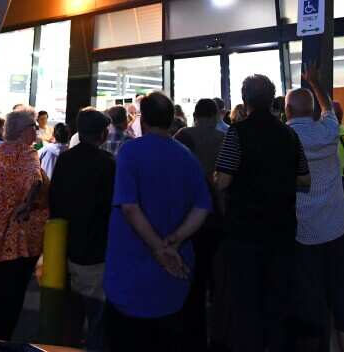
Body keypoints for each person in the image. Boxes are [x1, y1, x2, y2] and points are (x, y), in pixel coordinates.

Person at [103, 92, 211, 350]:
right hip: (175, 271)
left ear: (144, 119)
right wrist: (174, 240)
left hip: (131, 271)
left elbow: (129, 207)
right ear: (172, 119)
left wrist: (158, 249)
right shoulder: (186, 156)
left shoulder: (130, 151)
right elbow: (202, 206)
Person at [215, 74, 310, 351]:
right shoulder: (289, 133)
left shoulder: (237, 132)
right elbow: (305, 180)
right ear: (272, 101)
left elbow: (223, 180)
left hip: (244, 232)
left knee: (246, 302)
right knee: (278, 298)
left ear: (245, 101)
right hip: (281, 230)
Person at [285, 78, 344, 352]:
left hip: (303, 232)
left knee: (310, 302)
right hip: (338, 227)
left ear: (288, 112)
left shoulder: (285, 137)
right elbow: (329, 109)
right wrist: (317, 85)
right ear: (311, 110)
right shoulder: (329, 131)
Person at [0, 108, 49, 341]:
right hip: (20, 240)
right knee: (13, 298)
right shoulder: (27, 152)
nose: (36, 131)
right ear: (24, 130)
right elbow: (34, 181)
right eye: (34, 127)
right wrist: (27, 204)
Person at [49, 109, 116, 350]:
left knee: (71, 314)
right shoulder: (107, 163)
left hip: (65, 246)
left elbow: (54, 199)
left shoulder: (65, 159)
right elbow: (112, 207)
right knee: (97, 317)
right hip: (95, 250)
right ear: (101, 134)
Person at [174, 97, 228, 352]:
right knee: (218, 282)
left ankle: (192, 338)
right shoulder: (224, 139)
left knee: (192, 283)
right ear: (215, 115)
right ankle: (219, 338)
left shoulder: (183, 136)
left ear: (195, 115)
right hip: (216, 218)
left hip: (188, 219)